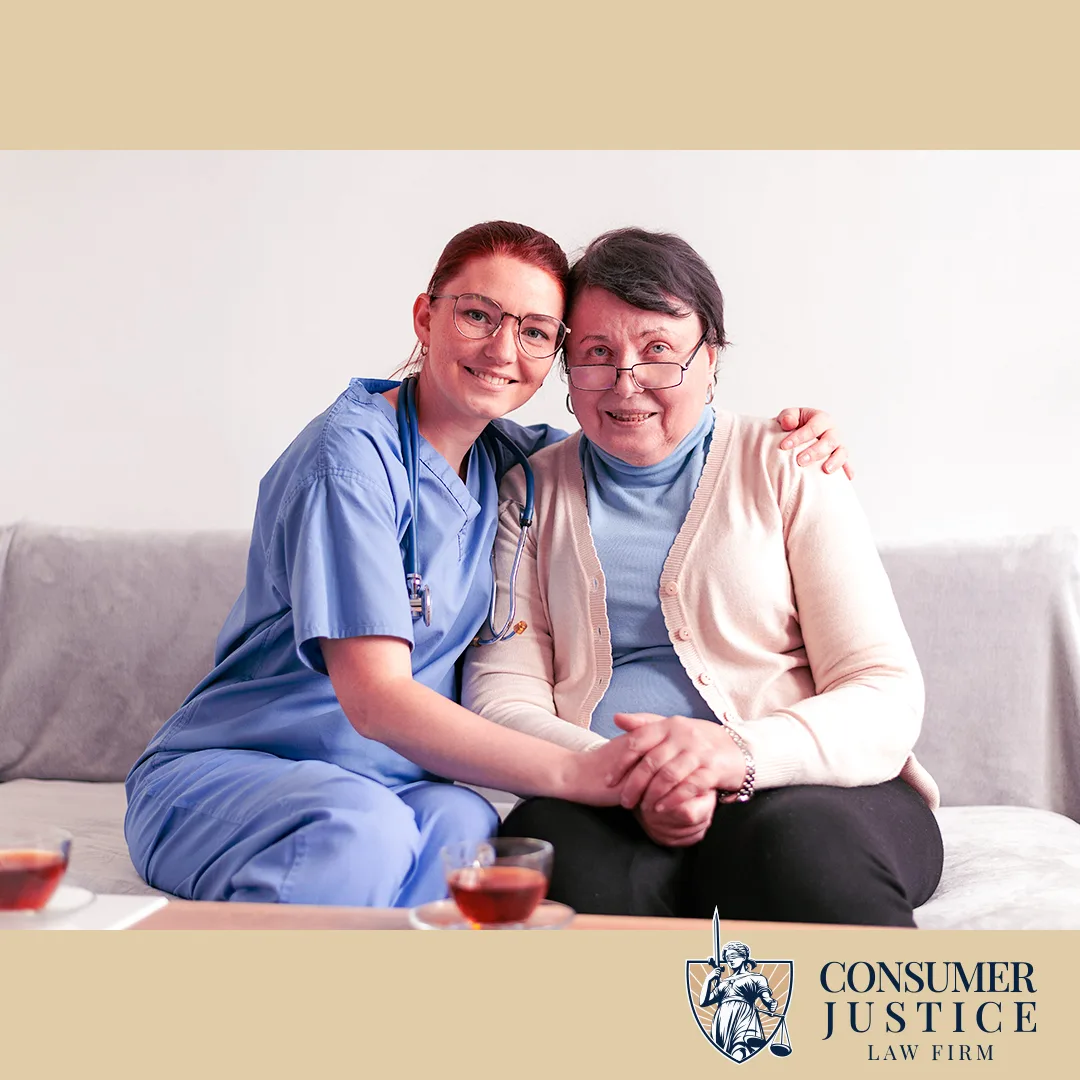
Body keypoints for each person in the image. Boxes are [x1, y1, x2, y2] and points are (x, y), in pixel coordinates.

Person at [125, 220, 850, 908]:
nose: (504, 350)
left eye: (535, 332)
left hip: (396, 780)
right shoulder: (348, 463)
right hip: (248, 769)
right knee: (361, 836)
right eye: (478, 315)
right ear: (425, 316)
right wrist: (581, 772)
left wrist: (791, 437)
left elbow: (642, 435)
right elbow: (375, 700)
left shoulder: (511, 463)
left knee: (469, 830)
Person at [463, 227, 944, 927]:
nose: (627, 383)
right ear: (569, 372)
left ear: (710, 359)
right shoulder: (528, 493)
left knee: (792, 850)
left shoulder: (792, 463)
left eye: (660, 352)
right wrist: (627, 772)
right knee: (554, 861)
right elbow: (499, 696)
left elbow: (884, 692)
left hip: (807, 790)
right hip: (601, 791)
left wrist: (732, 754)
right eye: (598, 354)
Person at [699, 943, 777, 1061]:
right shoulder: (724, 983)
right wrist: (708, 980)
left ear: (744, 957)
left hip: (744, 1015)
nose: (730, 961)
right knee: (724, 1052)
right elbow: (703, 1002)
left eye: (734, 956)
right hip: (722, 1019)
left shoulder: (756, 978)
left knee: (741, 1047)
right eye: (727, 958)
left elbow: (765, 996)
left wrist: (770, 1003)